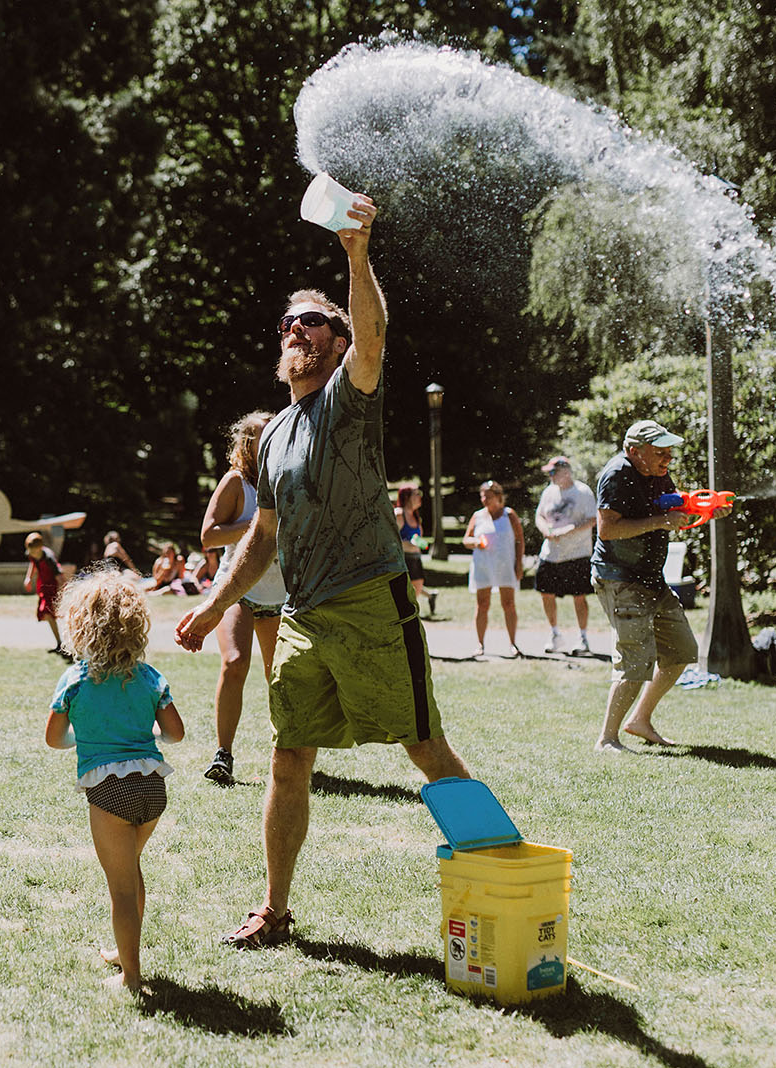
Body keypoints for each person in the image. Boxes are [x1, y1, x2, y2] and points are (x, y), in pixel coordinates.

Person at [175, 187, 470, 949]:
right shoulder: (271, 437)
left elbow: (374, 337)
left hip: (371, 599)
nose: (296, 330)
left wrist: (355, 254)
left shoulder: (349, 397)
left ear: (335, 343)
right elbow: (259, 538)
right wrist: (211, 609)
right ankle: (274, 911)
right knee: (288, 756)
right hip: (302, 612)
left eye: (313, 322)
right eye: (288, 323)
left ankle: (499, 871)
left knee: (423, 746)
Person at [45, 569, 185, 994]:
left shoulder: (76, 680)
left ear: (79, 626)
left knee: (121, 889)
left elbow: (54, 740)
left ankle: (131, 977)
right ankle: (124, 952)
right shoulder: (149, 677)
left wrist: (85, 739)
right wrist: (146, 736)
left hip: (109, 792)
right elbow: (175, 733)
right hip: (152, 788)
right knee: (132, 872)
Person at [592, 419, 730, 752]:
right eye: (659, 452)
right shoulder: (616, 475)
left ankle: (639, 720)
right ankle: (607, 739)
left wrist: (703, 509)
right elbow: (607, 530)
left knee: (682, 651)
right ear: (633, 451)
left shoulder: (657, 473)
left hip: (652, 579)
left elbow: (670, 505)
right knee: (636, 660)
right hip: (620, 578)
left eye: (669, 452)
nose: (667, 458)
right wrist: (660, 522)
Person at [197, 411, 286, 787]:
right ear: (247, 445)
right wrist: (259, 526)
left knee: (279, 676)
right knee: (234, 663)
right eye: (263, 439)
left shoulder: (288, 480)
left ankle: (286, 753)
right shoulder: (236, 483)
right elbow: (209, 536)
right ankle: (223, 755)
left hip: (280, 594)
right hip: (238, 590)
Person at [534, 456, 597, 655]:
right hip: (551, 554)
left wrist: (568, 530)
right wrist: (545, 530)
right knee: (546, 594)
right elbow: (540, 516)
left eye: (553, 472)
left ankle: (583, 638)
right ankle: (554, 635)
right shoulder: (549, 492)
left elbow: (593, 520)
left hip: (577, 554)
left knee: (579, 597)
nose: (550, 477)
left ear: (566, 471)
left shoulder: (582, 492)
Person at [462, 481, 525, 658]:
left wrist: (519, 563)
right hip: (483, 565)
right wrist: (476, 542)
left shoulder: (509, 514)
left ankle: (513, 644)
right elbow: (466, 540)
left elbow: (519, 540)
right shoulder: (478, 516)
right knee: (482, 604)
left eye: (488, 496)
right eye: (482, 496)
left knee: (509, 604)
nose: (484, 499)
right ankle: (480, 644)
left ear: (498, 496)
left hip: (505, 566)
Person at [395, 483, 436, 618]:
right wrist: (407, 543)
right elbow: (390, 540)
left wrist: (420, 543)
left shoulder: (416, 516)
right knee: (404, 596)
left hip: (416, 558)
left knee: (415, 594)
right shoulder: (399, 515)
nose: (420, 497)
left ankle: (410, 618)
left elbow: (419, 539)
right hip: (403, 559)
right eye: (416, 494)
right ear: (407, 497)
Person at [23, 530, 67, 658]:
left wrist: (62, 594)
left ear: (41, 547)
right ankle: (59, 643)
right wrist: (28, 578)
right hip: (43, 585)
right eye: (32, 552)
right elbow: (33, 564)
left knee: (48, 612)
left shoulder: (49, 558)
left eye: (36, 552)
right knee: (48, 615)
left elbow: (60, 577)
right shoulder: (32, 553)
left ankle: (61, 643)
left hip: (53, 587)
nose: (33, 555)